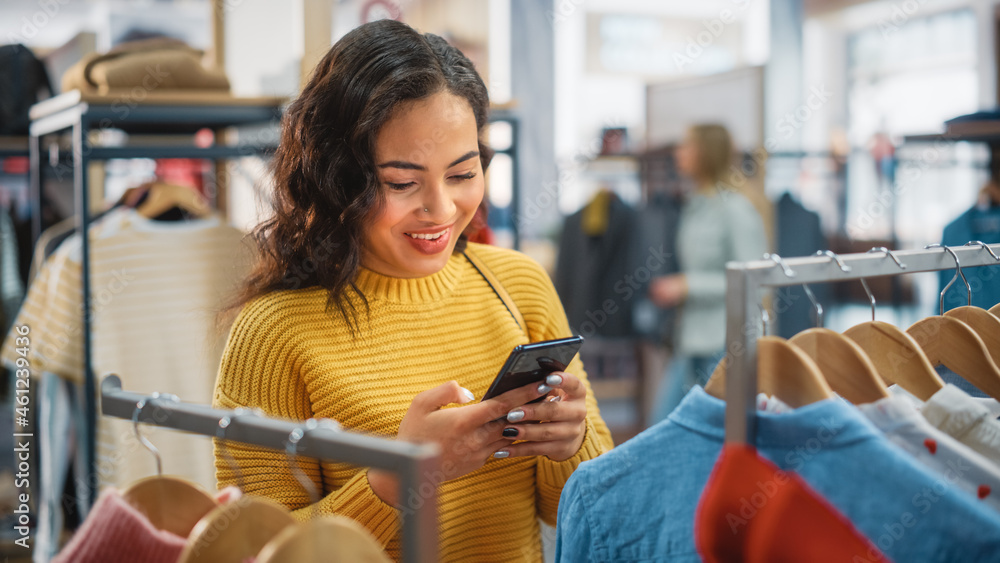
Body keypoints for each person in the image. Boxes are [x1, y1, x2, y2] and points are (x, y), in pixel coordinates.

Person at [211, 20, 612, 562]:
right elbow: (253, 551)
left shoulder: (518, 285)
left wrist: (571, 443)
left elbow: (592, 516)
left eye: (463, 173)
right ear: (339, 178)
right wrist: (399, 477)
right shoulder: (275, 332)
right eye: (402, 183)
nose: (442, 210)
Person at [647, 124, 766, 421]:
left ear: (706, 153)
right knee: (666, 427)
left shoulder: (735, 209)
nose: (679, 153)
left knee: (683, 430)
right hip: (692, 338)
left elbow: (755, 279)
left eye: (687, 145)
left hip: (725, 343)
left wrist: (688, 286)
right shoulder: (696, 205)